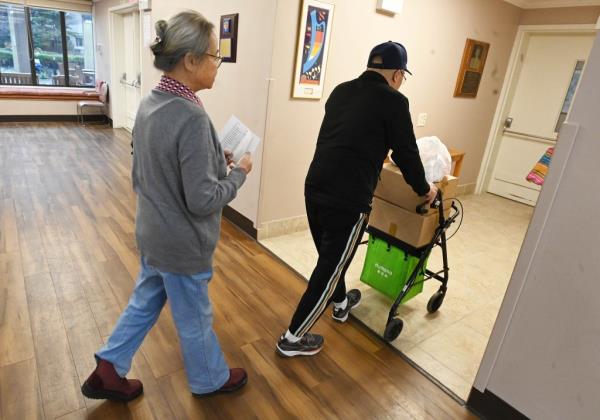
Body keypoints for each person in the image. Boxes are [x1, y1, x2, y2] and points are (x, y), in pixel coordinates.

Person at [81, 11, 253, 401]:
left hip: (153, 231)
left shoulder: (151, 103)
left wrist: (212, 158)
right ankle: (209, 379)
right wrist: (238, 172)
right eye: (214, 56)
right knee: (194, 317)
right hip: (181, 243)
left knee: (145, 300)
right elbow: (203, 199)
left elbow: (154, 165)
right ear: (190, 60)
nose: (217, 65)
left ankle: (108, 368)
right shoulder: (191, 115)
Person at [276, 41, 437, 357]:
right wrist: (424, 189)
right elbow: (406, 153)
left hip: (316, 185)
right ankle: (292, 338)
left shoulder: (340, 91)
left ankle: (339, 305)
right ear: (395, 74)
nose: (402, 80)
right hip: (348, 199)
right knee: (329, 267)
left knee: (329, 258)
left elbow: (349, 136)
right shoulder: (395, 102)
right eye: (403, 75)